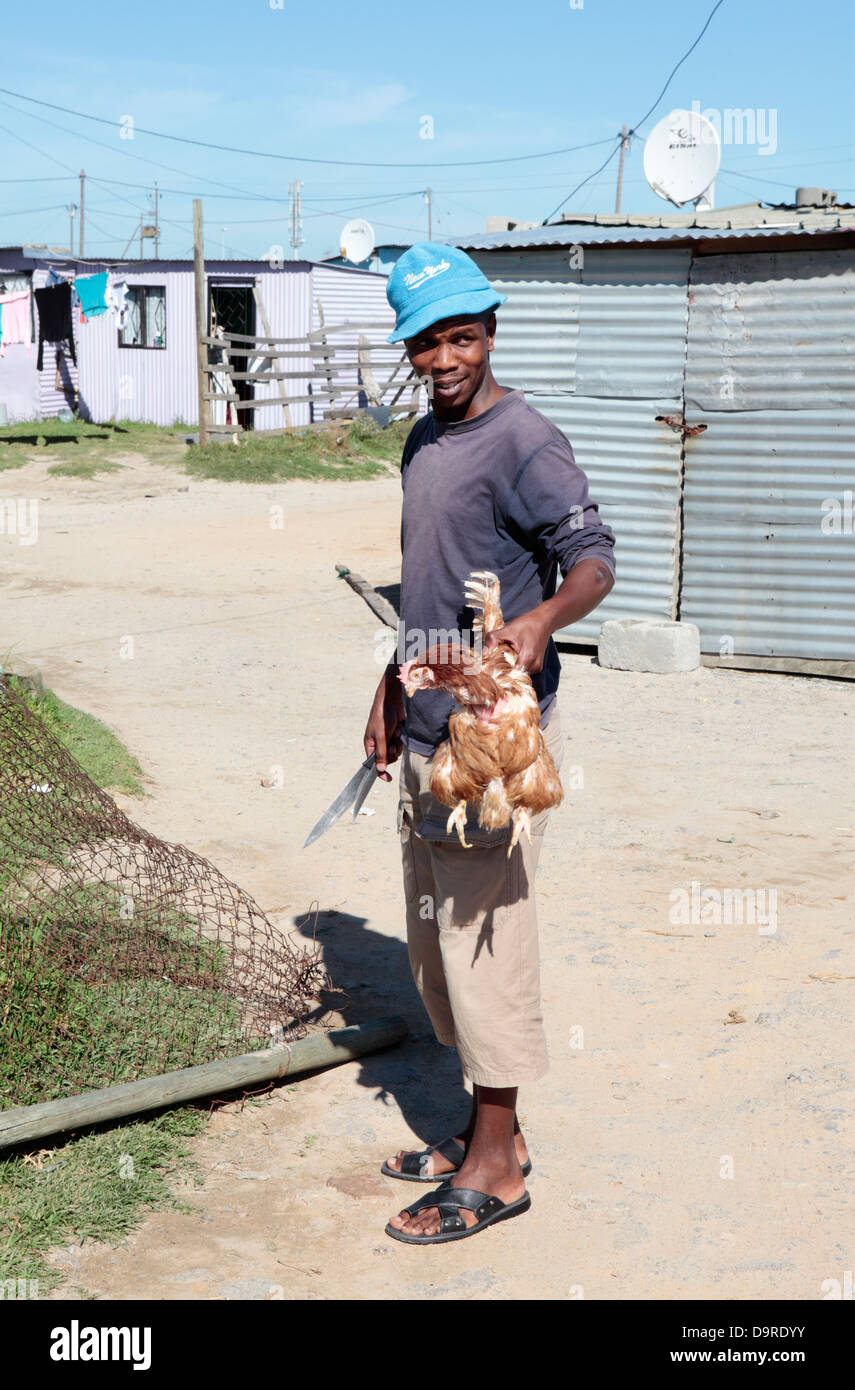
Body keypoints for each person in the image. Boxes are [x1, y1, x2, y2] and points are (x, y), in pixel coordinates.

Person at [363, 243, 616, 1245]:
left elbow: (593, 559)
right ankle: (477, 1128)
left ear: (491, 331)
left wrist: (544, 618)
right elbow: (422, 583)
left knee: (488, 950)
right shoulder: (425, 441)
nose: (443, 357)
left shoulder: (525, 441)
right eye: (426, 341)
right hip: (429, 723)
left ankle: (499, 1165)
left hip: (492, 745)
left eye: (460, 336)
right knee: (435, 953)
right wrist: (389, 685)